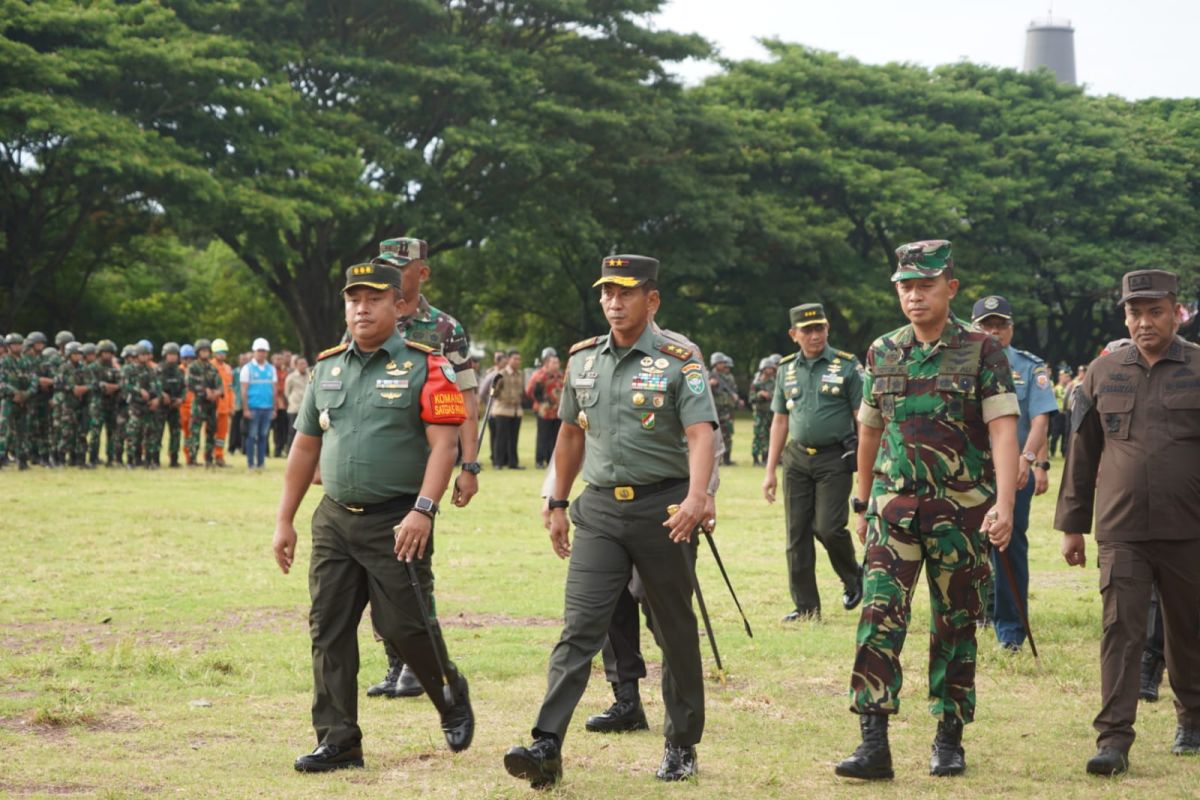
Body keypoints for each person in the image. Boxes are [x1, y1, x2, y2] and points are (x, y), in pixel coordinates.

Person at [503, 254, 717, 788]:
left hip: (664, 510)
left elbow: (701, 434)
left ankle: (681, 743)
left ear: (652, 299)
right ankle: (546, 744)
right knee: (579, 628)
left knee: (673, 629)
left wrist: (697, 497)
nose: (613, 302)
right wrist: (556, 501)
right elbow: (570, 435)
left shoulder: (679, 358)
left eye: (625, 293)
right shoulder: (583, 361)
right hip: (598, 509)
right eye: (607, 293)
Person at [271, 258, 474, 772]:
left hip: (398, 520)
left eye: (375, 299)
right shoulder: (327, 367)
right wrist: (284, 519)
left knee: (403, 626)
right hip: (335, 519)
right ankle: (338, 740)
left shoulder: (427, 366)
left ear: (399, 305)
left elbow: (443, 446)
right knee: (329, 627)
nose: (362, 309)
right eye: (353, 299)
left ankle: (448, 692)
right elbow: (303, 449)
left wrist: (423, 510)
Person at [836, 239, 1019, 781]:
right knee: (877, 617)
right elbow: (869, 427)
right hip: (893, 510)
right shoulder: (882, 351)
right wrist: (863, 497)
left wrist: (1003, 504)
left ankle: (949, 737)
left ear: (950, 288)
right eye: (905, 286)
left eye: (925, 285)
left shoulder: (982, 350)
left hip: (960, 512)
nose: (914, 296)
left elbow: (1003, 431)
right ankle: (874, 742)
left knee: (956, 622)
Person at [1054, 268, 1200, 776]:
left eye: (1154, 311)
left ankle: (1194, 721)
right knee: (1121, 631)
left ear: (1175, 312)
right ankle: (1113, 740)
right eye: (1134, 313)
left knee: (1189, 629)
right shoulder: (1102, 372)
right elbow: (1081, 452)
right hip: (1122, 529)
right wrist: (1073, 525)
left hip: (1190, 528)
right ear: (1125, 316)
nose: (1144, 322)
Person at [357, 237, 484, 701]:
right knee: (373, 570)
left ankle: (419, 663)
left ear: (421, 274)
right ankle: (395, 661)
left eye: (398, 266)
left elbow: (467, 398)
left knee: (411, 566)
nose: (388, 272)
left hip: (423, 462)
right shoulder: (364, 317)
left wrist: (468, 464)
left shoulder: (444, 328)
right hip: (372, 459)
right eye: (382, 265)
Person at [762, 303, 864, 622]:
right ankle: (806, 607)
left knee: (829, 528)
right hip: (796, 458)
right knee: (797, 535)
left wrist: (866, 465)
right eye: (807, 330)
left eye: (819, 328)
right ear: (794, 335)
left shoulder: (847, 366)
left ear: (828, 329)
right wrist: (770, 471)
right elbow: (779, 420)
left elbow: (862, 418)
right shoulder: (785, 368)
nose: (814, 335)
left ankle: (854, 577)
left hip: (835, 457)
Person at [970, 295, 1057, 651]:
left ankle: (1011, 628)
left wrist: (1028, 459)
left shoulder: (1029, 367)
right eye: (986, 325)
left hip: (1013, 470)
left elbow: (1040, 418)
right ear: (974, 328)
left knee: (1009, 545)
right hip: (971, 471)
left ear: (1011, 328)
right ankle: (976, 612)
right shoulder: (962, 364)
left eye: (1000, 325)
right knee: (970, 544)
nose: (994, 331)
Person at [240, 338, 277, 471]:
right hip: (253, 407)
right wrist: (245, 409)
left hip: (267, 408)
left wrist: (274, 408)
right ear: (254, 352)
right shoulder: (247, 368)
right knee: (251, 436)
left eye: (264, 351)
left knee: (263, 436)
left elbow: (274, 390)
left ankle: (261, 463)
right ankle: (251, 464)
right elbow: (243, 390)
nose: (261, 353)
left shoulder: (271, 369)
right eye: (259, 351)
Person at [186, 339, 223, 467]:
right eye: (202, 351)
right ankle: (192, 459)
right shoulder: (193, 367)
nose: (205, 353)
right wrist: (203, 391)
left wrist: (216, 393)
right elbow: (189, 384)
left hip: (211, 406)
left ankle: (208, 458)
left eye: (207, 351)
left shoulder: (213, 368)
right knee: (195, 432)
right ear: (197, 352)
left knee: (211, 432)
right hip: (199, 404)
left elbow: (220, 386)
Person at [527, 347, 564, 468]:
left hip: (557, 410)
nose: (556, 364)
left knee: (556, 436)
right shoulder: (539, 375)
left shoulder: (561, 375)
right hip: (543, 410)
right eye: (553, 362)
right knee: (543, 436)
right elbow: (529, 391)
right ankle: (539, 460)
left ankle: (551, 460)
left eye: (557, 362)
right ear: (546, 363)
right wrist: (542, 401)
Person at [89, 340, 122, 467]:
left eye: (110, 353)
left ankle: (111, 458)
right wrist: (106, 387)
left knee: (112, 433)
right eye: (105, 353)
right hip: (97, 404)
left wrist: (112, 387)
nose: (107, 355)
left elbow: (121, 383)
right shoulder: (93, 368)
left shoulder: (115, 368)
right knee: (95, 432)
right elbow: (92, 383)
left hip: (112, 404)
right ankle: (93, 458)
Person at [489, 350, 524, 469]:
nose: (517, 362)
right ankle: (498, 462)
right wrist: (503, 398)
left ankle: (513, 463)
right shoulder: (501, 374)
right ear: (508, 360)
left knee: (514, 438)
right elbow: (494, 391)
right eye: (515, 359)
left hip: (516, 411)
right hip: (502, 410)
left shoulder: (520, 374)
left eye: (519, 359)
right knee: (501, 438)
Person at [708, 352, 740, 464]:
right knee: (714, 435)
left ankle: (727, 459)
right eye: (720, 363)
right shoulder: (708, 375)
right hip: (714, 410)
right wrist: (709, 384)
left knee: (727, 434)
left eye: (723, 363)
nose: (723, 365)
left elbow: (733, 390)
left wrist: (735, 397)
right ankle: (716, 459)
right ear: (714, 364)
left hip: (727, 410)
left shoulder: (728, 377)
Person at [159, 343, 187, 468]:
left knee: (176, 433)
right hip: (161, 406)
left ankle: (174, 459)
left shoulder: (180, 371)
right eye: (170, 354)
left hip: (175, 407)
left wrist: (181, 399)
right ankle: (154, 458)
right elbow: (153, 386)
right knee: (157, 432)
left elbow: (184, 388)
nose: (172, 357)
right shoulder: (158, 370)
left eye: (175, 354)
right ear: (165, 355)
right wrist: (162, 395)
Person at [749, 355, 779, 466]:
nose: (771, 370)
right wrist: (759, 394)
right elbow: (751, 399)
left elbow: (778, 395)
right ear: (763, 369)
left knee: (768, 435)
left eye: (772, 368)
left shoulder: (774, 382)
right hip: (759, 412)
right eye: (769, 368)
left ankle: (766, 458)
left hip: (770, 412)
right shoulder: (756, 383)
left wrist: (769, 395)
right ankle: (755, 459)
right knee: (758, 435)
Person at [211, 339, 234, 467]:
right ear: (214, 353)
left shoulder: (227, 368)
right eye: (219, 352)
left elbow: (230, 389)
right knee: (211, 433)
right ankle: (209, 457)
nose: (222, 355)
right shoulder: (210, 366)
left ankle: (219, 457)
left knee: (222, 434)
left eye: (224, 352)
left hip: (225, 407)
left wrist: (231, 406)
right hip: (213, 407)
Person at [284, 356, 308, 451]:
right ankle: (289, 450)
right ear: (296, 365)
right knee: (292, 431)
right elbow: (287, 392)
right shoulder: (291, 377)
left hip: (306, 408)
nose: (303, 366)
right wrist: (292, 400)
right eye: (301, 364)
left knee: (306, 432)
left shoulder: (310, 375)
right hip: (295, 408)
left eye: (304, 363)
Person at [1049, 369, 1072, 457]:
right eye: (1065, 376)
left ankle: (1063, 452)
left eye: (1067, 376)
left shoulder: (1068, 388)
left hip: (1065, 413)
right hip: (1058, 413)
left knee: (1065, 433)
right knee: (1055, 434)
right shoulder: (1057, 388)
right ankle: (1052, 451)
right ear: (1060, 377)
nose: (1067, 378)